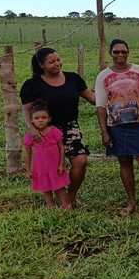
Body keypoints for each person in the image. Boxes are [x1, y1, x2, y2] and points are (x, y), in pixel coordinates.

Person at [94, 39, 139, 215]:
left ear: (128, 52)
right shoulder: (103, 76)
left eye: (123, 51)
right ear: (111, 53)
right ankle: (131, 202)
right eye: (116, 52)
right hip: (116, 126)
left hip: (138, 123)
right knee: (124, 163)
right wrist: (104, 132)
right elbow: (101, 106)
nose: (120, 55)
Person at [20, 47, 95, 207]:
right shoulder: (32, 84)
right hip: (45, 131)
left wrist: (113, 92)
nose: (57, 63)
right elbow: (26, 109)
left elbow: (93, 99)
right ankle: (51, 200)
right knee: (50, 167)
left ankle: (70, 196)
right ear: (41, 65)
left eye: (58, 60)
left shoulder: (73, 79)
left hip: (70, 128)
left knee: (80, 161)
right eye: (51, 62)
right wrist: (32, 129)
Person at [23, 100, 71, 209]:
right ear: (31, 120)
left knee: (60, 187)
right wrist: (28, 170)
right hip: (40, 168)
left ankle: (66, 206)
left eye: (44, 118)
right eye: (37, 118)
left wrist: (61, 164)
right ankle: (50, 206)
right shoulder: (30, 136)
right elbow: (28, 153)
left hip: (55, 166)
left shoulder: (54, 131)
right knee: (46, 189)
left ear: (49, 119)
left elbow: (61, 148)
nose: (40, 120)